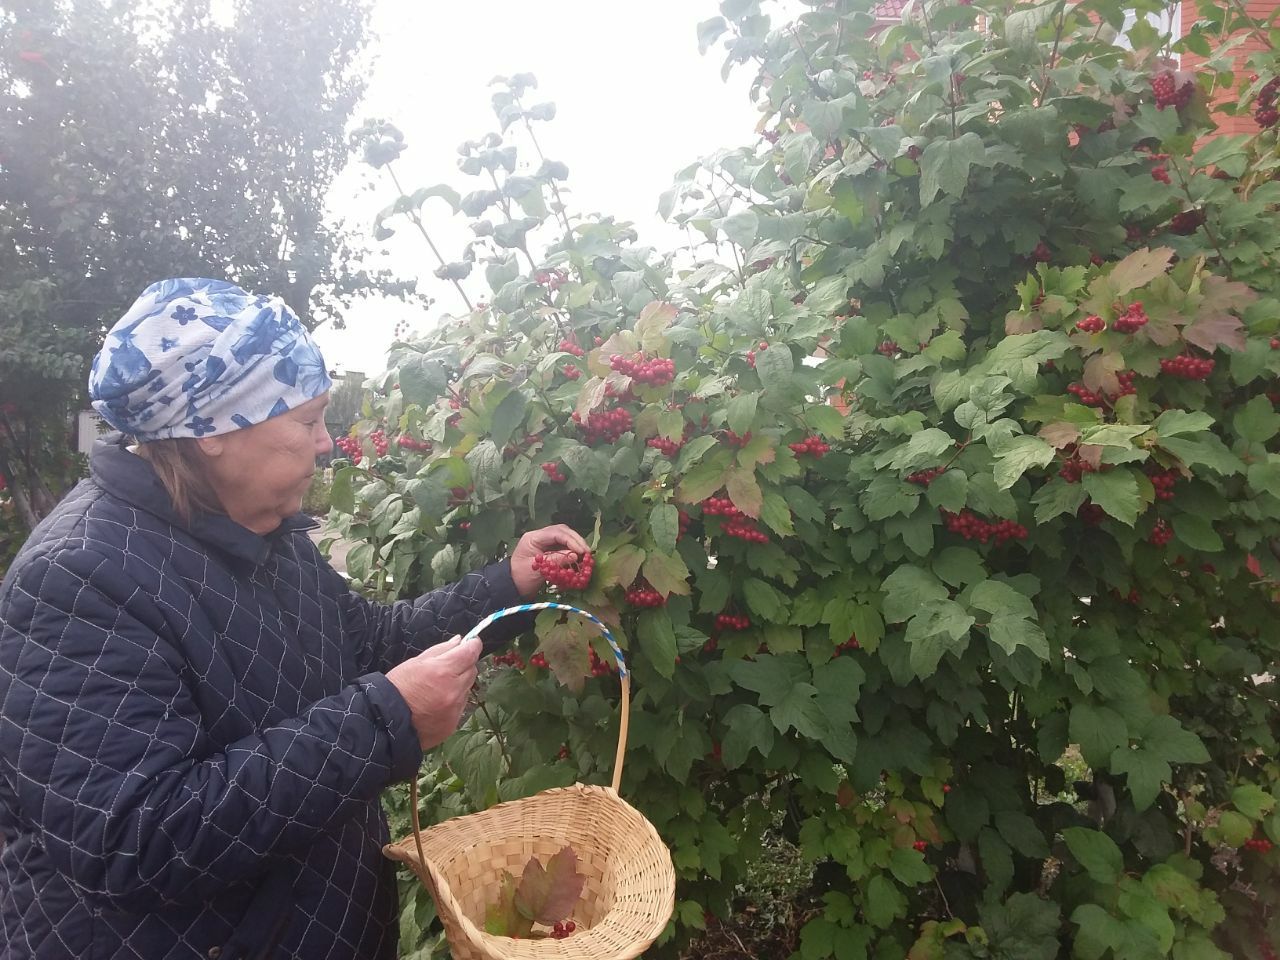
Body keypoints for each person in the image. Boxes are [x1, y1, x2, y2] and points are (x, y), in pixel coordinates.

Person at [0, 278, 589, 959]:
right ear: (216, 429)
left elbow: (368, 643)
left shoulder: (260, 535)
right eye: (307, 420)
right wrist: (385, 722)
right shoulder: (79, 578)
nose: (328, 442)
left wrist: (503, 586)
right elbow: (135, 840)